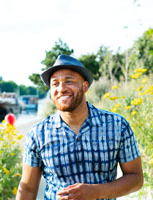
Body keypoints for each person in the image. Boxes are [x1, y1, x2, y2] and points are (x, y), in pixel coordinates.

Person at [16, 54, 143, 200]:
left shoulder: (118, 126)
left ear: (85, 86)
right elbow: (27, 189)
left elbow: (136, 178)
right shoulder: (37, 134)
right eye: (55, 83)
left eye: (69, 81)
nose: (61, 88)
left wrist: (96, 192)